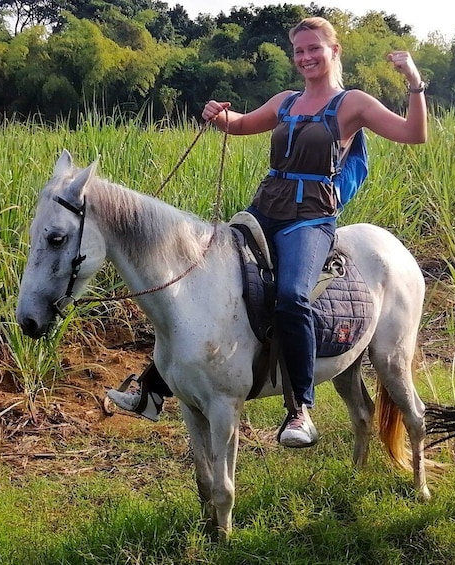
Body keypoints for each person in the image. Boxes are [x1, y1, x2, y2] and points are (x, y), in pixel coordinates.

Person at [107, 16, 427, 447]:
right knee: (203, 284)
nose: (306, 57)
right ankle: (153, 389)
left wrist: (413, 81)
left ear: (334, 52)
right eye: (299, 50)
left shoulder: (353, 104)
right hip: (263, 210)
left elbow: (413, 133)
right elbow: (240, 124)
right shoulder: (286, 101)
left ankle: (300, 411)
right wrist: (219, 116)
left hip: (309, 220)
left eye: (314, 48)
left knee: (293, 295)